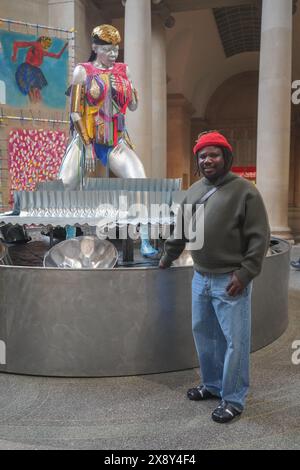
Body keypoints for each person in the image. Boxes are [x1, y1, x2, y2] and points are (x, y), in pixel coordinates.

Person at [159, 131, 270, 423]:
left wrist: (246, 273)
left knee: (235, 341)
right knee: (204, 334)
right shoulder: (194, 190)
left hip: (230, 280)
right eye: (203, 156)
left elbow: (259, 238)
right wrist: (168, 255)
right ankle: (212, 385)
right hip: (201, 277)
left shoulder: (246, 191)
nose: (208, 160)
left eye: (214, 154)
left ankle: (233, 398)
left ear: (226, 157)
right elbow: (180, 228)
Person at [58, 24, 157, 256]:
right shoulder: (82, 71)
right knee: (66, 183)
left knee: (139, 181)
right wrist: (86, 145)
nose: (113, 54)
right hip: (86, 138)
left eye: (115, 50)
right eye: (108, 50)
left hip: (115, 139)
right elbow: (74, 113)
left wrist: (131, 87)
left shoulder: (124, 70)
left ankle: (144, 241)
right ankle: (71, 239)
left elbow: (132, 105)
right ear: (95, 47)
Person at [12, 36, 68, 103]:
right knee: (33, 91)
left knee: (34, 91)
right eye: (46, 43)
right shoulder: (36, 45)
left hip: (35, 71)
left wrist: (65, 46)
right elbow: (16, 44)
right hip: (28, 70)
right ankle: (35, 106)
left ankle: (36, 106)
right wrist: (14, 55)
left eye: (48, 44)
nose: (47, 45)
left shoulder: (42, 51)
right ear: (41, 41)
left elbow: (57, 56)